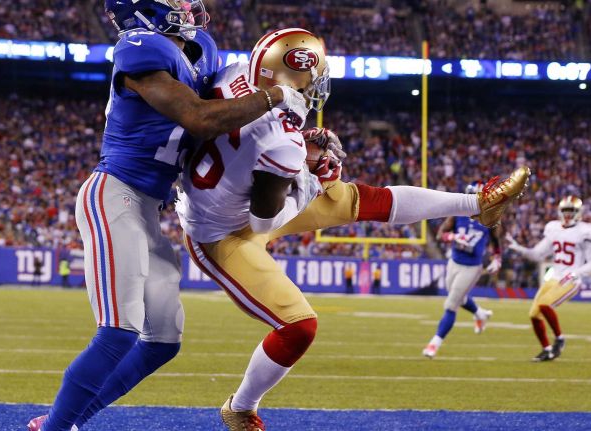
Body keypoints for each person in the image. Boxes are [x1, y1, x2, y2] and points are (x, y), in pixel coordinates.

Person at [177, 28, 530, 430]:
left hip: (226, 198)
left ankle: (478, 204)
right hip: (223, 233)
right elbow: (264, 221)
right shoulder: (282, 142)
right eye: (316, 72)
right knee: (298, 327)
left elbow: (245, 138)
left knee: (358, 199)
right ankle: (240, 408)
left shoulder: (234, 75)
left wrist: (301, 148)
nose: (319, 81)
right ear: (297, 72)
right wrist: (306, 178)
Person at [28, 0, 310, 429]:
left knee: (161, 341)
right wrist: (274, 96)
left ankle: (65, 420)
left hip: (148, 208)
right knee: (118, 332)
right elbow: (198, 118)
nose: (185, 3)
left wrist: (301, 139)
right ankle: (57, 427)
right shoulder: (139, 46)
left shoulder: (200, 51)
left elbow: (233, 115)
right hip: (115, 194)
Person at [507, 196, 591, 362]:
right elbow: (537, 254)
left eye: (571, 211)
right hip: (554, 277)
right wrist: (519, 248)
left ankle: (560, 339)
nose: (567, 214)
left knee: (545, 305)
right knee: (534, 314)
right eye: (565, 210)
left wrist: (576, 273)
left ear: (578, 212)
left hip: (570, 279)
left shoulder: (586, 231)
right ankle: (547, 350)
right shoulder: (554, 228)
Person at [422, 182, 502, 359]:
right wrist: (454, 236)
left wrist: (497, 259)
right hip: (454, 261)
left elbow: (496, 243)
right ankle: (480, 314)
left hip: (471, 268)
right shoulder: (458, 214)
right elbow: (440, 233)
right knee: (457, 296)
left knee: (451, 304)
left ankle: (434, 344)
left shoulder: (491, 219)